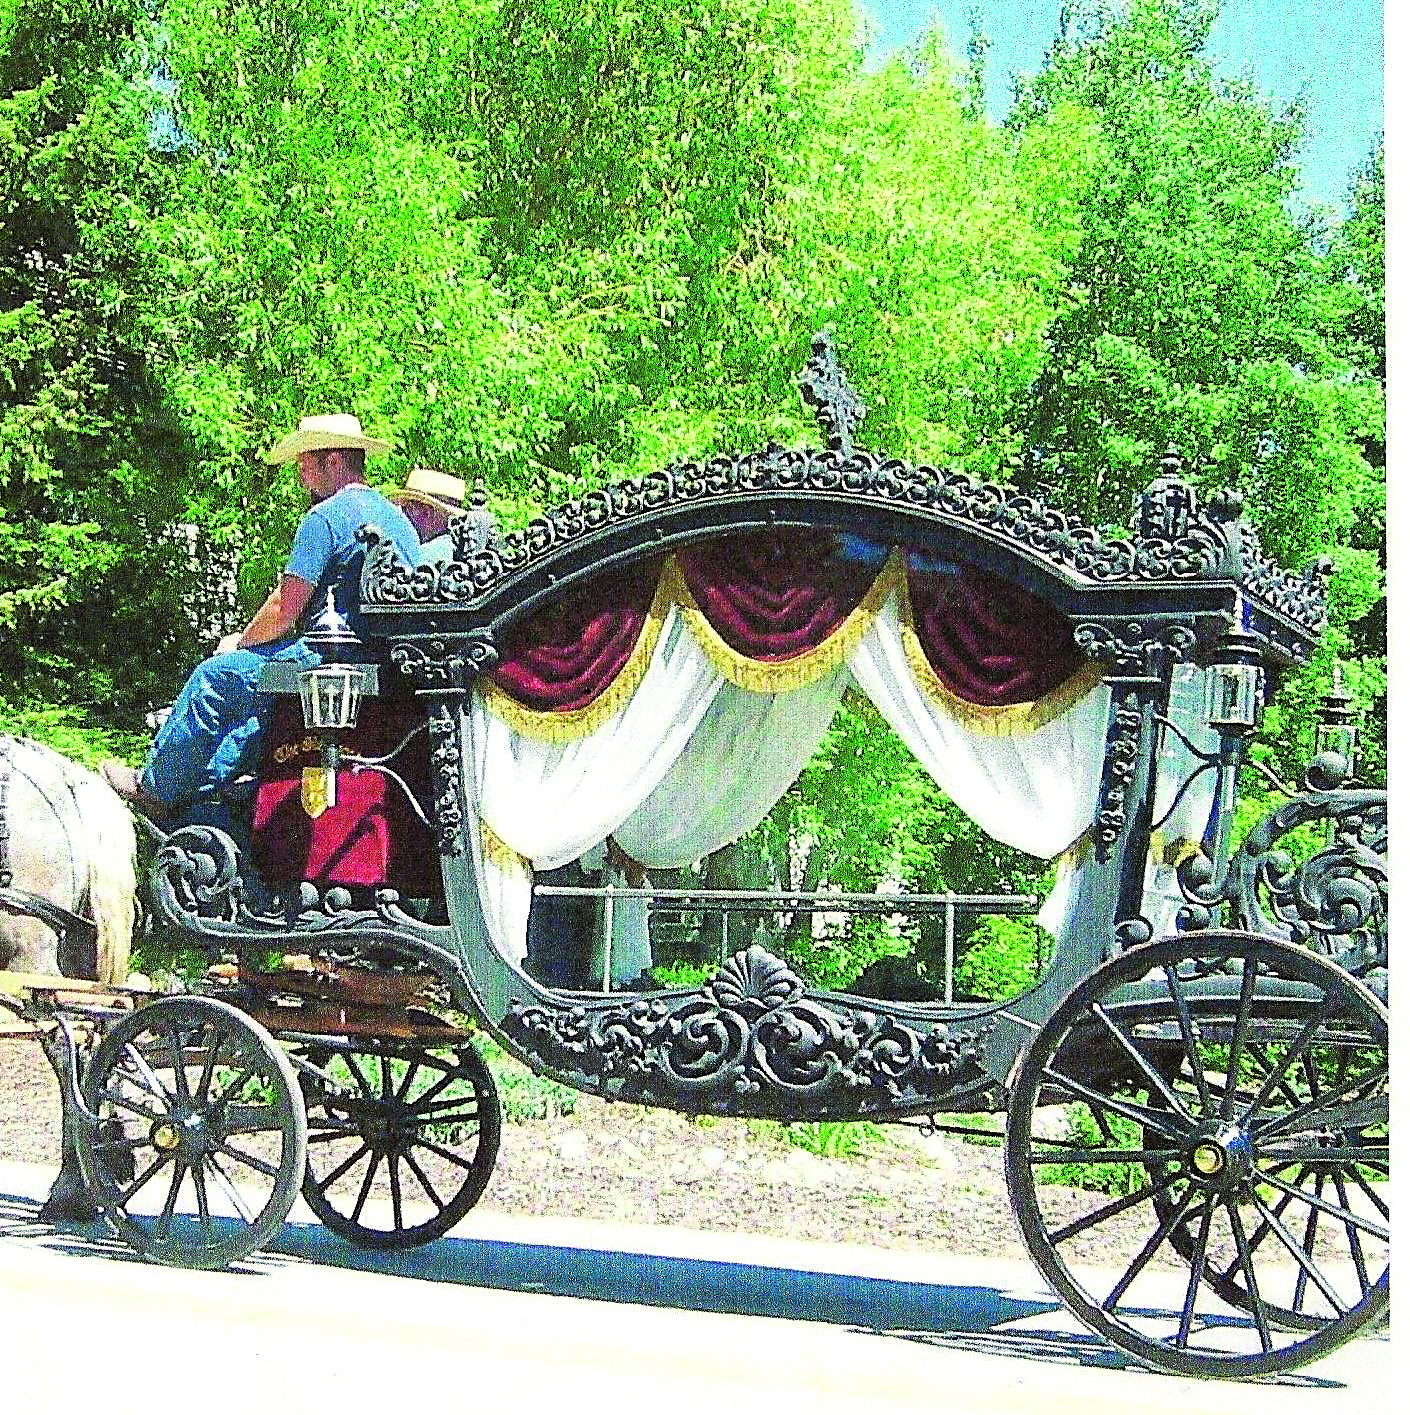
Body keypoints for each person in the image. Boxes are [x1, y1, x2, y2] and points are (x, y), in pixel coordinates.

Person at [102, 414, 421, 819]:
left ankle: (156, 789)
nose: (301, 475)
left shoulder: (325, 518)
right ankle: (205, 792)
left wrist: (239, 643)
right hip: (385, 670)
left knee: (215, 677)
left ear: (333, 460)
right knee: (261, 709)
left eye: (306, 463)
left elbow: (284, 609)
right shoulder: (401, 524)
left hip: (325, 664)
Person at [391, 466, 465, 564]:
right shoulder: (449, 545)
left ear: (428, 511)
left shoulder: (427, 554)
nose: (403, 512)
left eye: (410, 505)